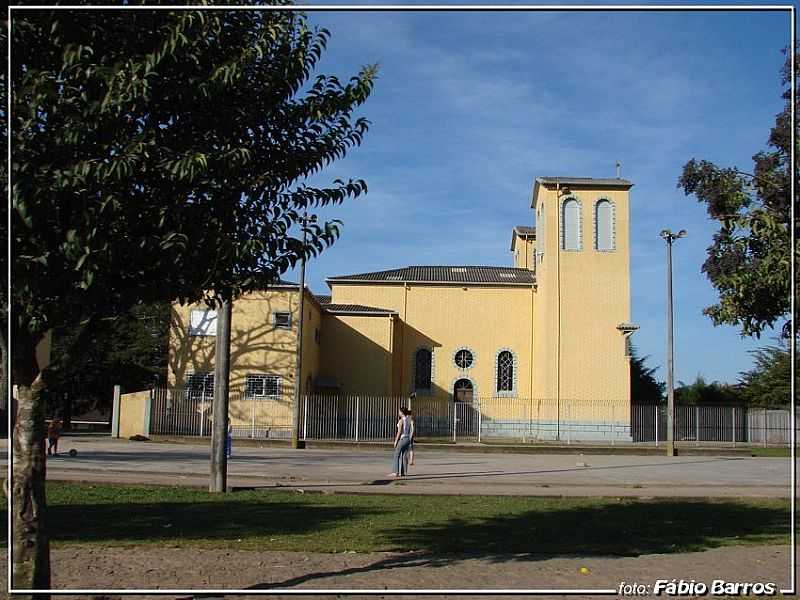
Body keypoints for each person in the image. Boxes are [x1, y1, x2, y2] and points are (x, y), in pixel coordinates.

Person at [388, 406, 414, 478]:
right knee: (403, 455)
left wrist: (396, 441)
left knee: (396, 455)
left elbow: (399, 432)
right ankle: (402, 472)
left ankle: (395, 472)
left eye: (399, 411)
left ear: (402, 413)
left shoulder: (401, 421)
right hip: (408, 439)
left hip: (402, 439)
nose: (398, 413)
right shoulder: (409, 419)